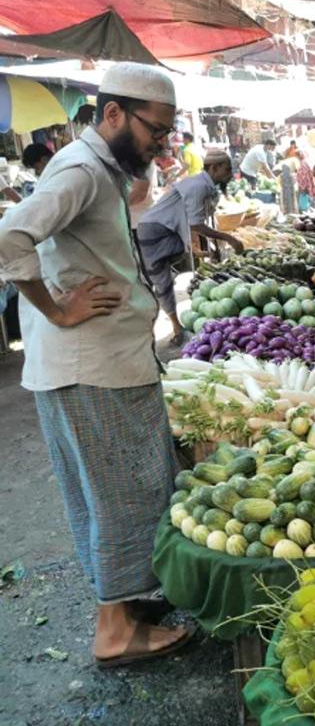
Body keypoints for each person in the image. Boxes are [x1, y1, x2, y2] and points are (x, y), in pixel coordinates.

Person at [0, 62, 192, 666]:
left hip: (100, 364)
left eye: (167, 132)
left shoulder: (101, 169)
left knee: (116, 491)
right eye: (155, 130)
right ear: (113, 114)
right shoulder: (82, 170)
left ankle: (126, 601)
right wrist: (56, 311)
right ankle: (114, 629)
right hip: (91, 367)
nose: (162, 144)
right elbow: (10, 238)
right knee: (121, 495)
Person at [137, 151, 242, 342]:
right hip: (154, 230)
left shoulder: (205, 186)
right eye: (227, 169)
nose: (230, 174)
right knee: (162, 282)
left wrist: (204, 246)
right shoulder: (198, 186)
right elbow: (195, 224)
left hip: (166, 229)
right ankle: (176, 329)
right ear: (213, 168)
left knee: (165, 279)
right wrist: (229, 238)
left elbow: (194, 219)